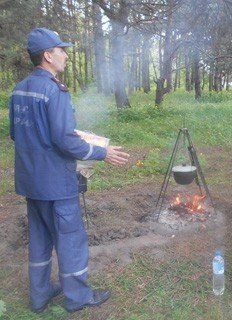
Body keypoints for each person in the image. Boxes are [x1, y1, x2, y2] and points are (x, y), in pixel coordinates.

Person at [8, 28, 130, 313]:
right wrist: (102, 153)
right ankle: (77, 297)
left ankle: (39, 295)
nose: (65, 55)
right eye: (61, 50)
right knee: (70, 239)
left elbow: (17, 134)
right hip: (56, 184)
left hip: (30, 183)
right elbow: (64, 140)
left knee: (39, 239)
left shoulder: (19, 89)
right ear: (47, 56)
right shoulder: (54, 90)